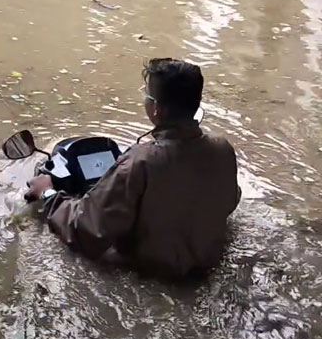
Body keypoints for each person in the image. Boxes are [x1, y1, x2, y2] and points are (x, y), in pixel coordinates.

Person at [26, 58, 241, 279]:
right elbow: (230, 200)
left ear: (156, 109)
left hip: (155, 280)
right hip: (209, 267)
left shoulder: (140, 161)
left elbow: (86, 229)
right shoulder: (222, 148)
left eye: (146, 94)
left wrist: (48, 193)